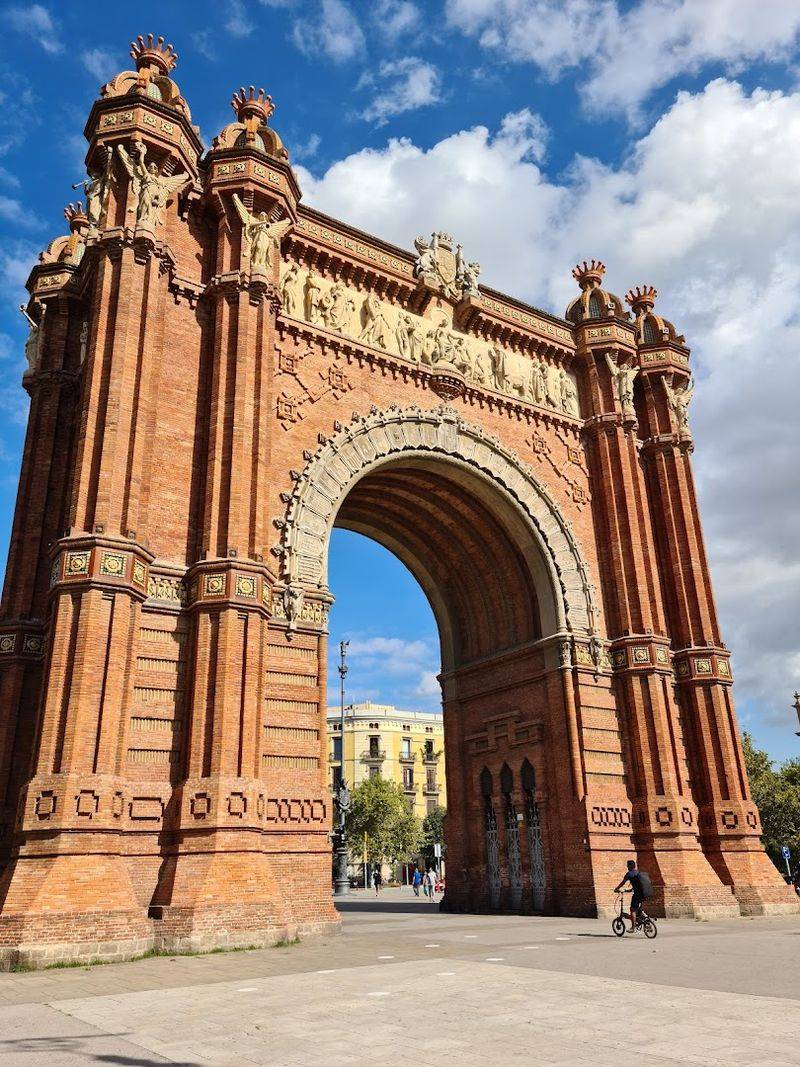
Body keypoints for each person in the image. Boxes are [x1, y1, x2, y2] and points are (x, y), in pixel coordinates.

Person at [614, 859, 650, 932]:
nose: (627, 866)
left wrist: (616, 889)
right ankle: (644, 919)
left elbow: (623, 883)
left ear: (630, 866)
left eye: (628, 865)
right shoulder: (638, 873)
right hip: (645, 894)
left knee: (632, 910)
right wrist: (627, 890)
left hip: (637, 895)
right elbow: (636, 887)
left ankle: (633, 928)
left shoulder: (629, 874)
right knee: (638, 909)